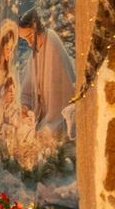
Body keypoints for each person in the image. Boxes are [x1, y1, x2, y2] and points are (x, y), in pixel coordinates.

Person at [17, 8, 75, 148]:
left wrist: (45, 128)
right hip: (43, 116)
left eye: (30, 37)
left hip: (59, 119)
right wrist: (25, 106)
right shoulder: (37, 50)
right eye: (25, 40)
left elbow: (58, 103)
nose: (30, 43)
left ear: (38, 28)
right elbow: (28, 88)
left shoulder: (52, 43)